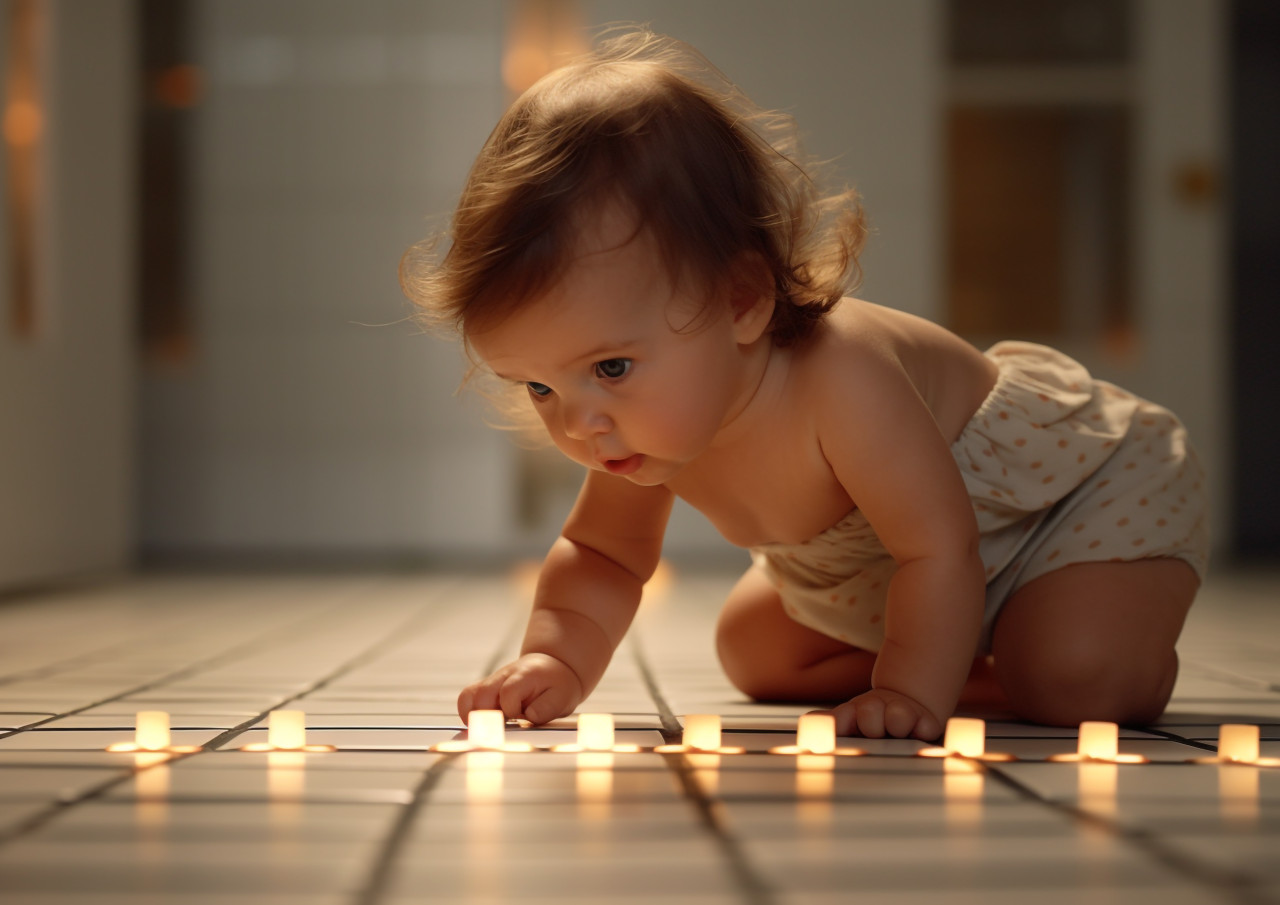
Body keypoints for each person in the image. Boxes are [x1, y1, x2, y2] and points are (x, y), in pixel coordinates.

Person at [402, 29, 1209, 740]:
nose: (579, 423)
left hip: (1058, 504)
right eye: (541, 388)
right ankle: (990, 667)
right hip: (906, 567)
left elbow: (939, 544)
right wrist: (554, 657)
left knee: (1076, 677)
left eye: (609, 368)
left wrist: (905, 690)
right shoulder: (644, 419)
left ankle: (1040, 657)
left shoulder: (842, 377)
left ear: (742, 301)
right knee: (752, 651)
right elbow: (602, 555)